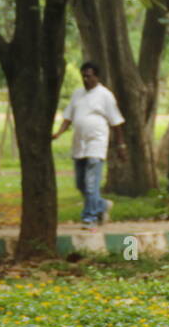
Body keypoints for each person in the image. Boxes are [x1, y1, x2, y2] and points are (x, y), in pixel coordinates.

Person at [54, 61, 127, 227]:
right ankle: (102, 205)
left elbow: (116, 122)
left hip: (97, 142)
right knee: (80, 183)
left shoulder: (105, 95)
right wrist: (58, 133)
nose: (86, 79)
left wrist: (121, 146)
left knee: (91, 181)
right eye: (84, 76)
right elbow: (68, 117)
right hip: (79, 143)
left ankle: (90, 217)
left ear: (97, 77)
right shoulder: (77, 94)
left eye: (89, 76)